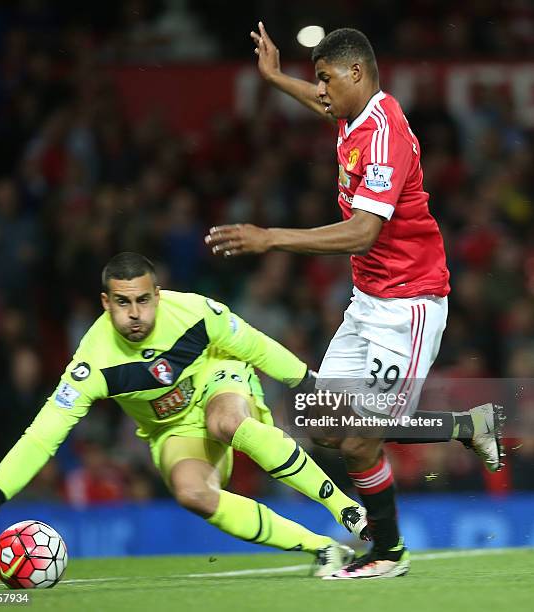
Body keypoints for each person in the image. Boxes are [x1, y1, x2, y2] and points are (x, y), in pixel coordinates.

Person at [205, 24, 504, 579]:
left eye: (325, 78)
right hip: (368, 300)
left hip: (408, 305)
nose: (319, 90)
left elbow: (364, 231)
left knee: (364, 432)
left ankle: (389, 552)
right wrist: (274, 78)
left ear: (357, 73)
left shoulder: (386, 131)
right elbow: (324, 107)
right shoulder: (354, 113)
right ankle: (465, 426)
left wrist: (271, 237)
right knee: (325, 422)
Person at [0, 252, 370, 577]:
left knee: (225, 421)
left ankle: (345, 510)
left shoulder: (195, 313)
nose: (135, 313)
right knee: (192, 494)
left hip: (219, 378)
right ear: (106, 303)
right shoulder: (93, 362)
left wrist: (308, 383)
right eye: (123, 303)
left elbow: (256, 347)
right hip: (170, 429)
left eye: (143, 300)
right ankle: (321, 546)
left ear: (157, 294)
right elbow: (41, 437)